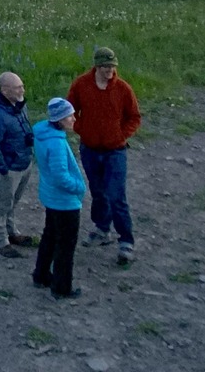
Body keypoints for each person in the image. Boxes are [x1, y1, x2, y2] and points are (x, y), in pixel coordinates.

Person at [67, 45, 142, 265]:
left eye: (112, 66)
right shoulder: (81, 85)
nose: (109, 70)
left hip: (115, 151)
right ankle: (102, 230)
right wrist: (82, 129)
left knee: (117, 196)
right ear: (96, 66)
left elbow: (134, 117)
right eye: (105, 66)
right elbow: (70, 110)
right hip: (90, 149)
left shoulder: (123, 89)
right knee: (98, 192)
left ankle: (126, 241)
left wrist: (121, 136)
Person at [31, 96, 87, 299]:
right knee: (66, 245)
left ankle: (41, 275)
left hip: (51, 197)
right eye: (70, 115)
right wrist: (79, 186)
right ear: (60, 119)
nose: (74, 118)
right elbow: (60, 175)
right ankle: (62, 288)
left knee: (50, 236)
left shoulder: (42, 134)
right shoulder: (55, 143)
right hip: (64, 202)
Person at [0, 71, 37, 257]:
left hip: (23, 162)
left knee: (12, 201)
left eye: (22, 86)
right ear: (5, 90)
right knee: (0, 204)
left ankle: (11, 232)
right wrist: (2, 168)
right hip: (9, 167)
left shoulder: (19, 106)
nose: (23, 89)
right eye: (18, 87)